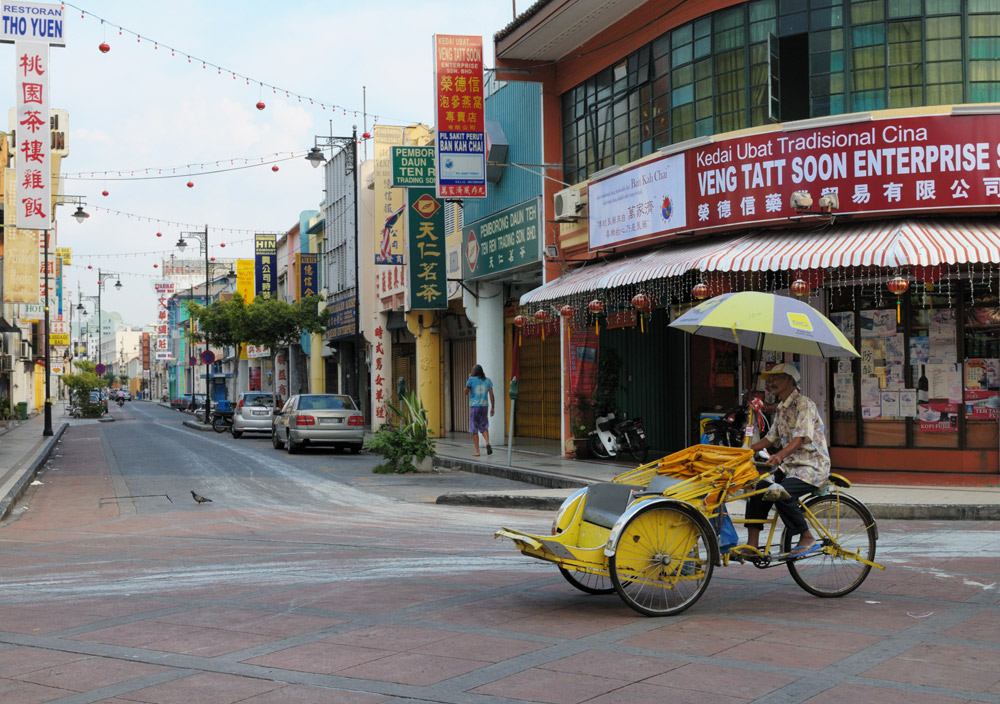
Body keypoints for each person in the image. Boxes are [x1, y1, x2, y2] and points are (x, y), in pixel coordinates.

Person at [743, 362, 830, 558]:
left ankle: (806, 536)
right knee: (759, 489)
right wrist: (745, 450)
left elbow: (800, 438)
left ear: (790, 380)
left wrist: (780, 455)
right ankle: (752, 545)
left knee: (780, 493)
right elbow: (770, 438)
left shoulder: (804, 404)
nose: (771, 382)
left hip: (811, 465)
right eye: (769, 379)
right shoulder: (781, 408)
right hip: (791, 468)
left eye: (776, 378)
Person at [464, 364, 495, 457]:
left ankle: (477, 451)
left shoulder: (471, 380)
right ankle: (487, 442)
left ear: (474, 372)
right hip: (484, 406)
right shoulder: (488, 380)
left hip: (475, 406)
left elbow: (466, 392)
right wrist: (493, 407)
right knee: (484, 426)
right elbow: (491, 395)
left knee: (474, 429)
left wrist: (469, 379)